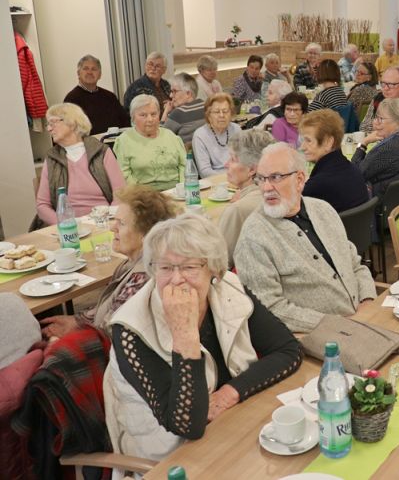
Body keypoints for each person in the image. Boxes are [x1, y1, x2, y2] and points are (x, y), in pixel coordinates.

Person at [104, 213, 303, 463]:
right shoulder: (130, 330)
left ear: (213, 270)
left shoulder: (228, 287)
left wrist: (231, 391)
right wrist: (184, 333)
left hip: (232, 426)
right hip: (172, 458)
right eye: (165, 267)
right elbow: (187, 426)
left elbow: (288, 350)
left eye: (189, 267)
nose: (176, 279)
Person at [234, 143, 377, 333]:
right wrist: (339, 325)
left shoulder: (323, 210)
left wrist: (367, 303)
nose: (266, 187)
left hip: (364, 319)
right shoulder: (254, 237)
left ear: (300, 179)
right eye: (261, 179)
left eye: (276, 177)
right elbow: (271, 308)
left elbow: (355, 265)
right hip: (319, 338)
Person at [41, 185, 176, 339]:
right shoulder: (133, 263)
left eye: (121, 223)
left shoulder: (141, 278)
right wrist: (78, 320)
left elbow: (108, 332)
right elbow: (111, 306)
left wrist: (63, 339)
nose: (113, 228)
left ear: (146, 235)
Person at [35, 103, 126, 226]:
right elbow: (42, 206)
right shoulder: (52, 158)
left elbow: (120, 194)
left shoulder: (101, 151)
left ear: (71, 123)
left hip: (103, 223)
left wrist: (108, 220)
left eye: (53, 123)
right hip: (68, 228)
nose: (49, 129)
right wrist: (66, 224)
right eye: (48, 124)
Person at [218, 129, 275, 268]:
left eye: (232, 159)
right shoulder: (280, 195)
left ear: (251, 170)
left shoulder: (238, 210)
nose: (226, 164)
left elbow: (219, 262)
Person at [351, 98, 399, 198]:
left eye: (380, 119)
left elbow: (356, 175)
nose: (375, 123)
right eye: (376, 117)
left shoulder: (387, 149)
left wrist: (363, 143)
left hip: (379, 203)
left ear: (398, 122)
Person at [299, 110, 369, 211]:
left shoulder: (318, 184)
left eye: (308, 140)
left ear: (328, 142)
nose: (302, 147)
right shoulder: (352, 169)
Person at [113, 94, 186, 191]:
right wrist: (144, 195)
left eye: (153, 114)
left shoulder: (171, 136)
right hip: (144, 196)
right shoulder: (124, 140)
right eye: (143, 115)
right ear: (133, 118)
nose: (150, 119)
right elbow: (124, 175)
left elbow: (184, 165)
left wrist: (183, 188)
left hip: (177, 191)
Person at [63, 54, 129, 135]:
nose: (90, 72)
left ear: (100, 75)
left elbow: (125, 121)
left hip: (115, 142)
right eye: (85, 69)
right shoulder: (71, 99)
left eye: (94, 69)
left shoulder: (110, 97)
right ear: (78, 73)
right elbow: (70, 131)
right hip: (89, 145)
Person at [192, 93, 241, 178]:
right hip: (214, 182)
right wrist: (229, 176)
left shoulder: (236, 129)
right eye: (217, 112)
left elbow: (244, 159)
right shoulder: (200, 135)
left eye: (225, 111)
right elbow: (204, 172)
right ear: (208, 115)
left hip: (238, 177)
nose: (222, 115)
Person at [162, 73, 206, 145]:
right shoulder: (206, 106)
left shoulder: (179, 113)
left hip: (186, 153)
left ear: (188, 94)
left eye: (174, 91)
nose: (171, 95)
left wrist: (165, 112)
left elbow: (161, 137)